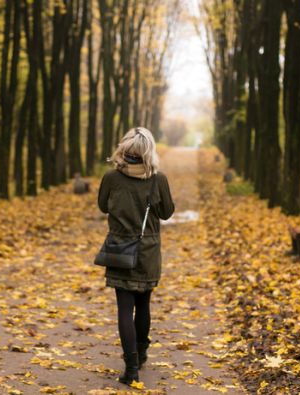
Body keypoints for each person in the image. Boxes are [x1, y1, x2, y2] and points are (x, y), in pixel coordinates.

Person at [97, 127, 175, 385]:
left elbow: (102, 205)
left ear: (124, 150)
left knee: (124, 308)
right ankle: (141, 353)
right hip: (148, 251)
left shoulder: (111, 178)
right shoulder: (158, 179)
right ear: (149, 151)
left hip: (120, 249)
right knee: (143, 305)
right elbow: (167, 213)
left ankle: (131, 369)